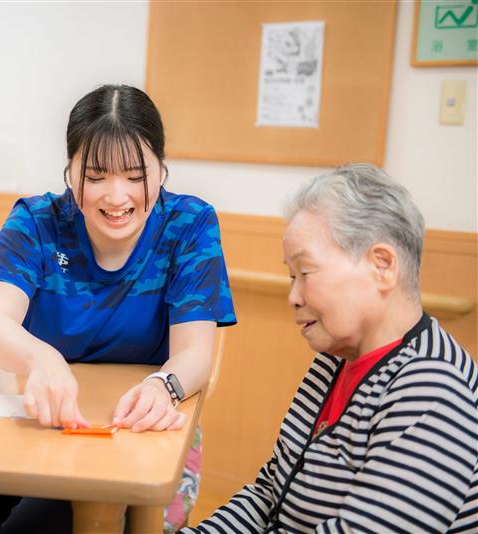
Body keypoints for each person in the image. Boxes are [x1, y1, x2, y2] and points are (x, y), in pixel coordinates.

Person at [0, 85, 237, 533]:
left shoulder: (189, 226)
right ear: (70, 170)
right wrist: (41, 357)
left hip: (133, 436)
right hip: (38, 424)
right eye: (95, 176)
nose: (116, 197)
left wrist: (163, 386)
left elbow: (195, 354)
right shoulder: (36, 223)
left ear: (160, 169)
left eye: (135, 174)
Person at [183, 164, 478, 533]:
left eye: (305, 273)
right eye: (292, 277)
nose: (292, 296)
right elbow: (269, 494)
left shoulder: (433, 387)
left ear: (382, 266)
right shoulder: (334, 361)